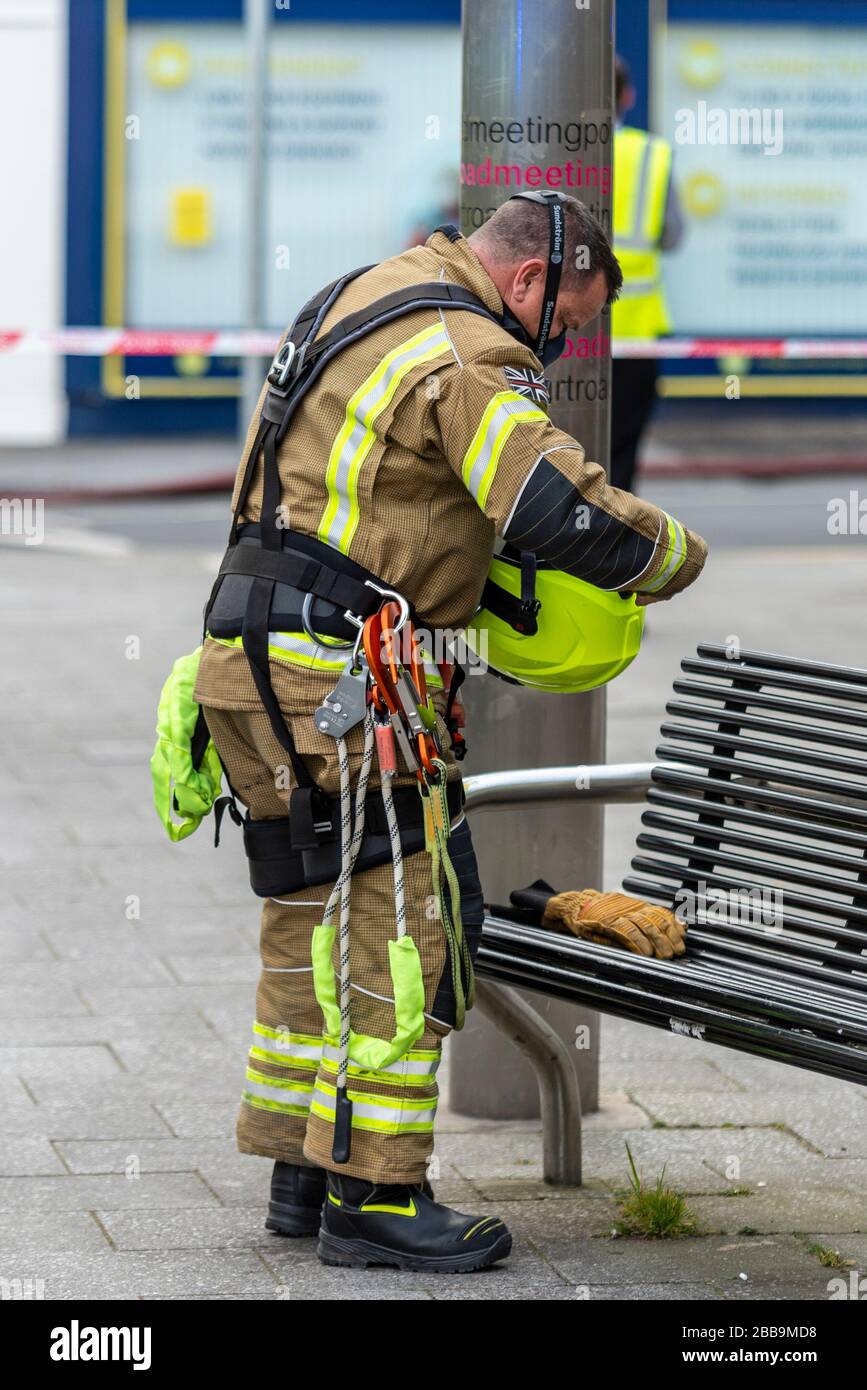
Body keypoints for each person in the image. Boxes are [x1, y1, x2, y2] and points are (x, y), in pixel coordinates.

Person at [191, 192, 707, 1273]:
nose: (560, 341)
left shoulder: (357, 297)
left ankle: (301, 1163)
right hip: (347, 680)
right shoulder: (469, 347)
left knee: (308, 916)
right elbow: (549, 504)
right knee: (397, 928)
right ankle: (377, 1197)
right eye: (567, 315)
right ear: (528, 281)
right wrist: (673, 557)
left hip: (248, 661)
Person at [611, 56, 684, 493]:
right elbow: (673, 235)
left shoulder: (557, 148)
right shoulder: (651, 155)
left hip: (564, 329)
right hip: (637, 329)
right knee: (621, 450)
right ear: (628, 96)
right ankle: (613, 546)